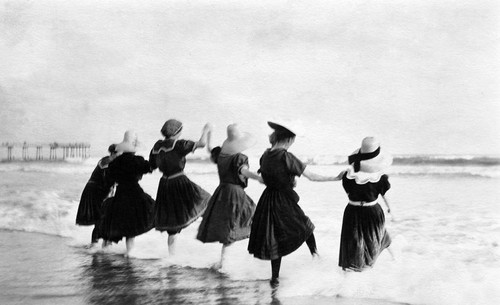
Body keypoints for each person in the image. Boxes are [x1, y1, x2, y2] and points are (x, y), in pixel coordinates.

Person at [248, 121, 343, 286]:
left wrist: (284, 180)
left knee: (273, 237)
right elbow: (312, 176)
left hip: (268, 199)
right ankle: (315, 256)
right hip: (283, 199)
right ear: (288, 140)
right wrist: (335, 178)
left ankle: (275, 277)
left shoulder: (265, 155)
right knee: (305, 225)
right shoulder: (286, 156)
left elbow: (264, 179)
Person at [197, 124, 262, 269]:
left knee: (229, 227)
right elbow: (244, 172)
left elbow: (210, 149)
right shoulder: (239, 157)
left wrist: (208, 133)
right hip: (235, 193)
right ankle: (234, 261)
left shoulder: (221, 155)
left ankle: (224, 261)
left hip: (222, 192)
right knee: (252, 218)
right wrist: (259, 178)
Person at [149, 119, 211, 255]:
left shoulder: (157, 146)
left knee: (172, 224)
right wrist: (205, 130)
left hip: (165, 184)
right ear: (177, 132)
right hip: (179, 181)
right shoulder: (178, 144)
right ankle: (208, 235)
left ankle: (172, 256)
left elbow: (151, 165)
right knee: (206, 201)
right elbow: (202, 143)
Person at [338, 136, 393, 271]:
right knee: (373, 239)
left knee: (355, 242)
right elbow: (385, 196)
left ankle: (353, 274)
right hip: (372, 211)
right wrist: (390, 209)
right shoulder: (380, 178)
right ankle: (393, 260)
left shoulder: (348, 176)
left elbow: (348, 192)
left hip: (353, 210)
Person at [99, 130, 156, 256]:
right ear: (134, 148)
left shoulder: (115, 162)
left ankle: (105, 250)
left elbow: (109, 178)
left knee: (116, 222)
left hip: (120, 193)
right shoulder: (137, 160)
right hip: (135, 192)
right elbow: (150, 167)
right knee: (132, 226)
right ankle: (129, 253)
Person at [75, 144, 117, 245]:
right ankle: (96, 245)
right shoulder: (107, 162)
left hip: (97, 190)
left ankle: (100, 244)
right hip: (94, 192)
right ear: (113, 153)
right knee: (100, 218)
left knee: (103, 218)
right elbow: (108, 181)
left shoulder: (108, 161)